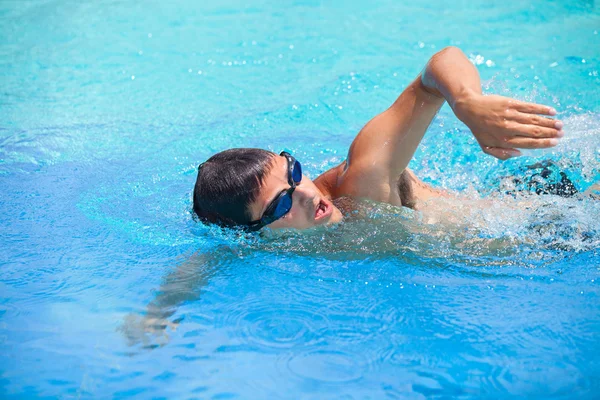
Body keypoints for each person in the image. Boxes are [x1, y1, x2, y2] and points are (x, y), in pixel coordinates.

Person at [193, 47, 564, 232]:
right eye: (280, 204)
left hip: (550, 227)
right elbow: (208, 259)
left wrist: (467, 102)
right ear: (253, 234)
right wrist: (159, 310)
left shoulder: (360, 185)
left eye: (294, 173)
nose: (306, 193)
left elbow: (439, 66)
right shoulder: (267, 243)